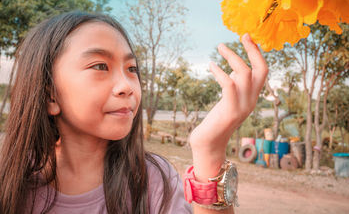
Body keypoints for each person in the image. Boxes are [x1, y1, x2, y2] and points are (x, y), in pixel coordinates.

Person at [0, 11, 268, 214]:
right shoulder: (9, 184)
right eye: (100, 66)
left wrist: (209, 150)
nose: (127, 86)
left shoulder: (152, 180)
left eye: (132, 70)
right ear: (50, 94)